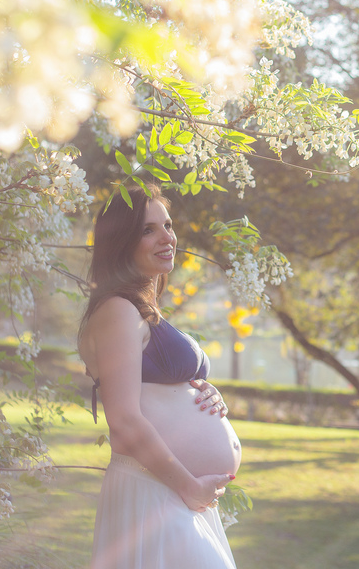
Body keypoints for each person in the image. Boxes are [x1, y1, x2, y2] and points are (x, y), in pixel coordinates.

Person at [78, 185, 242, 569]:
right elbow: (123, 420)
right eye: (148, 229)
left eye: (167, 225)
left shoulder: (139, 309)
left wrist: (203, 393)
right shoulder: (117, 310)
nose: (167, 237)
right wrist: (190, 487)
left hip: (175, 492)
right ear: (121, 242)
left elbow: (156, 387)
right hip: (157, 488)